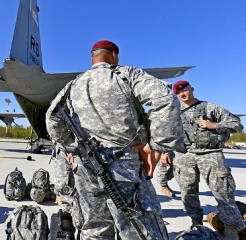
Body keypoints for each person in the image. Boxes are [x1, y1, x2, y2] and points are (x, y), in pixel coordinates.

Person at [46, 40, 184, 239]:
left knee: (94, 228)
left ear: (92, 57)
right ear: (114, 55)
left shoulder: (73, 85)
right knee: (138, 228)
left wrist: (69, 148)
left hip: (86, 168)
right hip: (124, 164)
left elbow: (52, 117)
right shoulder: (126, 75)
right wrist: (156, 146)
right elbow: (165, 99)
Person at [171, 80, 245, 239]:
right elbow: (168, 133)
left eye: (185, 90)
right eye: (178, 92)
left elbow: (237, 124)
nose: (182, 94)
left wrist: (214, 126)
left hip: (211, 154)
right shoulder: (175, 112)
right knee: (188, 193)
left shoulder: (210, 108)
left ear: (192, 89)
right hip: (185, 156)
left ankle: (231, 231)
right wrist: (165, 152)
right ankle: (196, 225)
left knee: (223, 193)